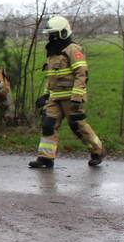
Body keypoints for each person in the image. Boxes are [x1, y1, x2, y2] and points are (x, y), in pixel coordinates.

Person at [29, 16, 105, 169]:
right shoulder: (52, 52)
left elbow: (81, 73)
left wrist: (77, 96)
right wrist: (45, 95)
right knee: (48, 125)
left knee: (78, 126)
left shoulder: (73, 49)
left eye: (53, 34)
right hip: (54, 98)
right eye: (50, 34)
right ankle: (46, 158)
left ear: (62, 33)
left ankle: (98, 151)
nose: (51, 37)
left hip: (71, 98)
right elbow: (51, 77)